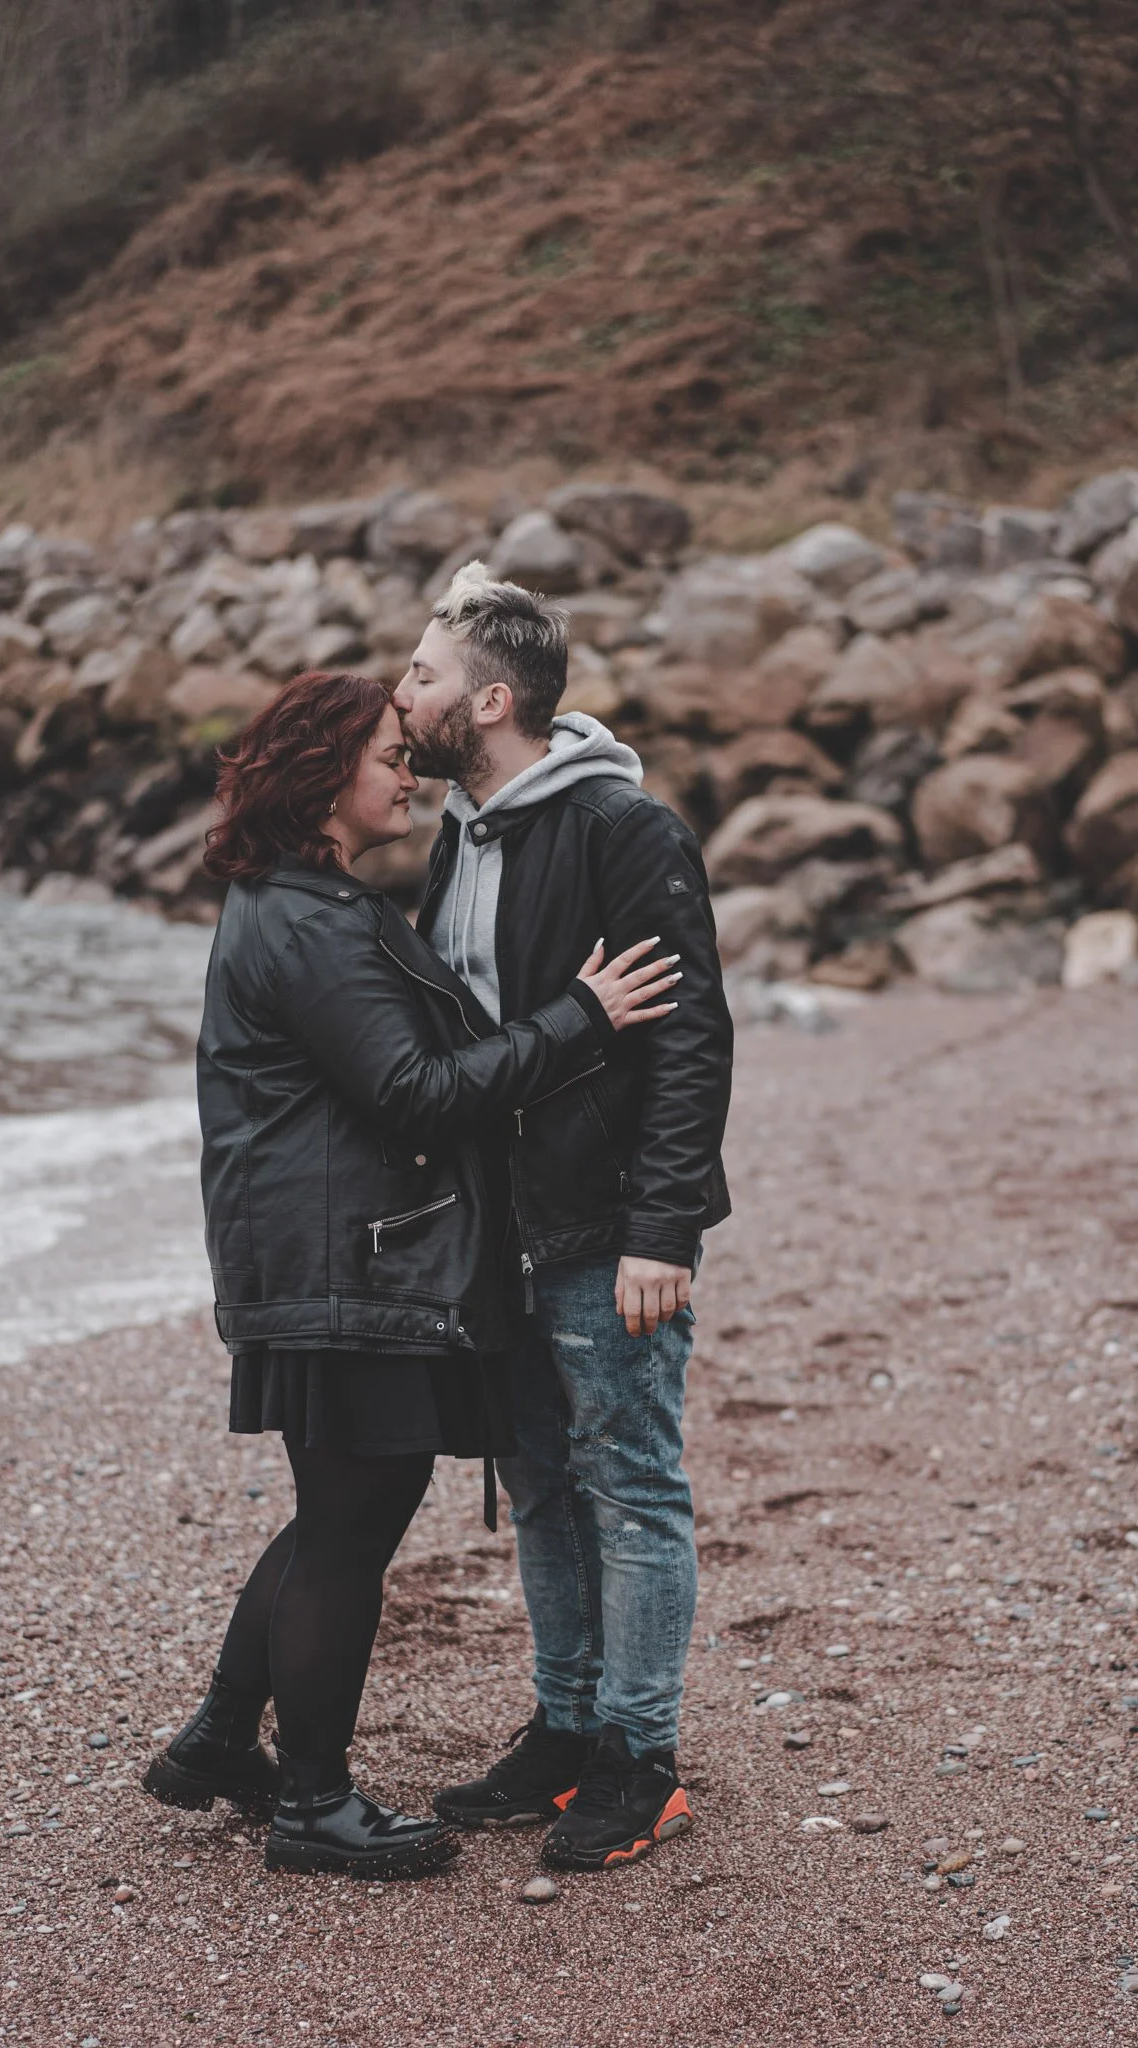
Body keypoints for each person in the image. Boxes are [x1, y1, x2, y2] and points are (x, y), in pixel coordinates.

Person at [141, 668, 682, 1881]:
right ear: (324, 772)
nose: (412, 772)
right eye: (391, 752)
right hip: (345, 1265)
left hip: (323, 1255)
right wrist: (582, 1016)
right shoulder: (314, 921)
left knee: (334, 1517)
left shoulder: (300, 900)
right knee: (349, 1531)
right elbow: (415, 1093)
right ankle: (315, 1805)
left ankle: (224, 1739)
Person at [393, 563, 733, 1873]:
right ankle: (564, 1728)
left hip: (605, 1233)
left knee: (631, 1487)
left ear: (485, 702)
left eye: (419, 675)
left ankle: (636, 1764)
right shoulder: (465, 831)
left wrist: (663, 1230)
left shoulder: (622, 832)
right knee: (535, 1483)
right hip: (501, 1231)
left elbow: (690, 1043)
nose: (398, 694)